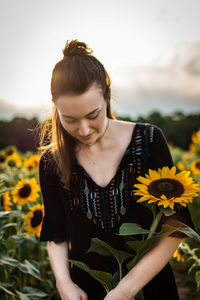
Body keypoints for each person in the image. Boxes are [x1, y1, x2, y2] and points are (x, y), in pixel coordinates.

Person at [38, 40, 194, 300]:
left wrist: (125, 290)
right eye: (70, 119)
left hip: (150, 287)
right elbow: (56, 233)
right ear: (56, 108)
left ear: (107, 96)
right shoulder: (52, 162)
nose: (84, 130)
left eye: (93, 115)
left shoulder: (149, 141)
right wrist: (64, 284)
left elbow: (174, 228)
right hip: (85, 291)